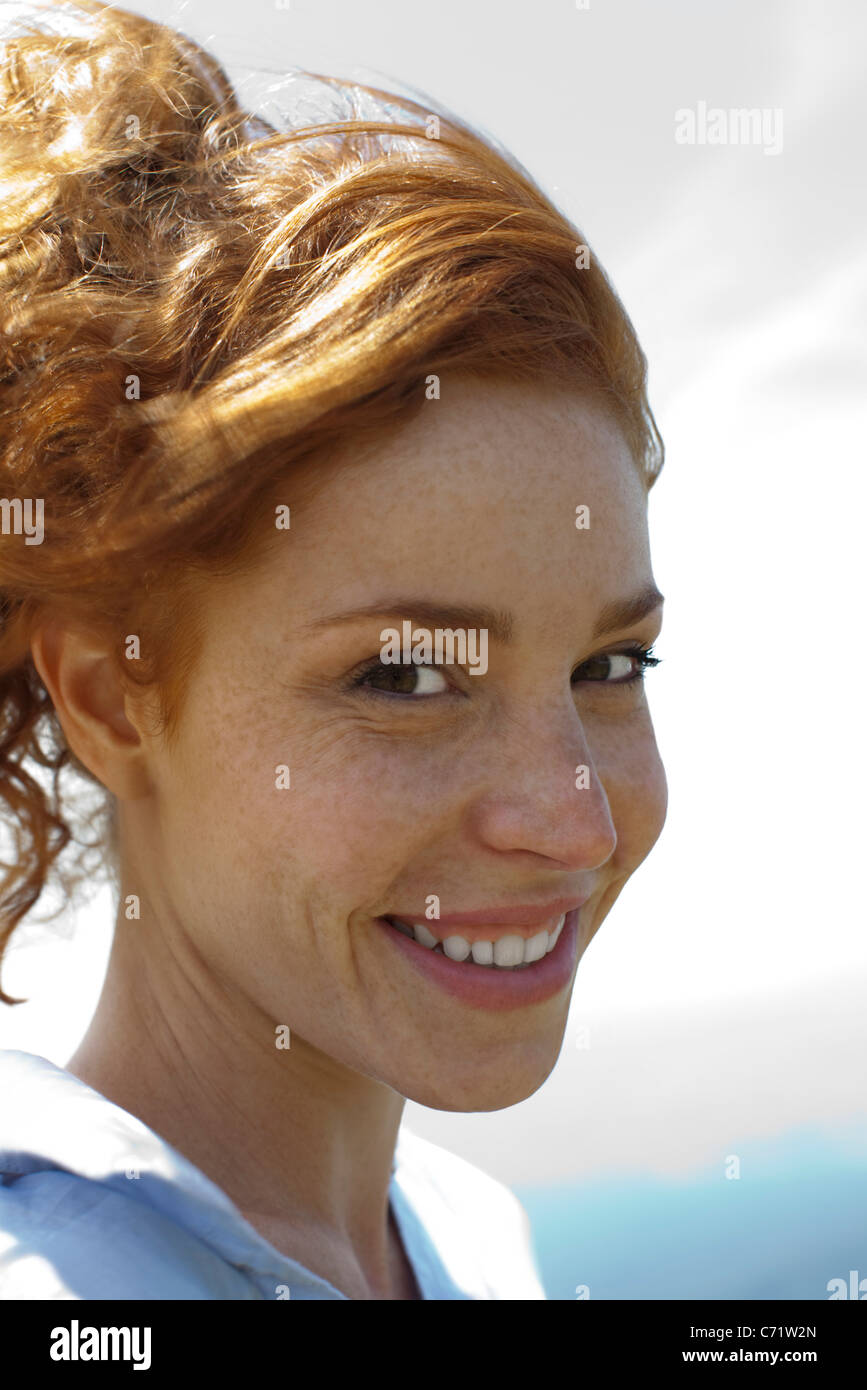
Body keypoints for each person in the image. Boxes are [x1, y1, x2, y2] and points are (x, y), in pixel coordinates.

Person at [0, 0, 667, 1300]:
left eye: (611, 665)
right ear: (112, 697)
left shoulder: (472, 1235)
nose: (574, 821)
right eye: (409, 676)